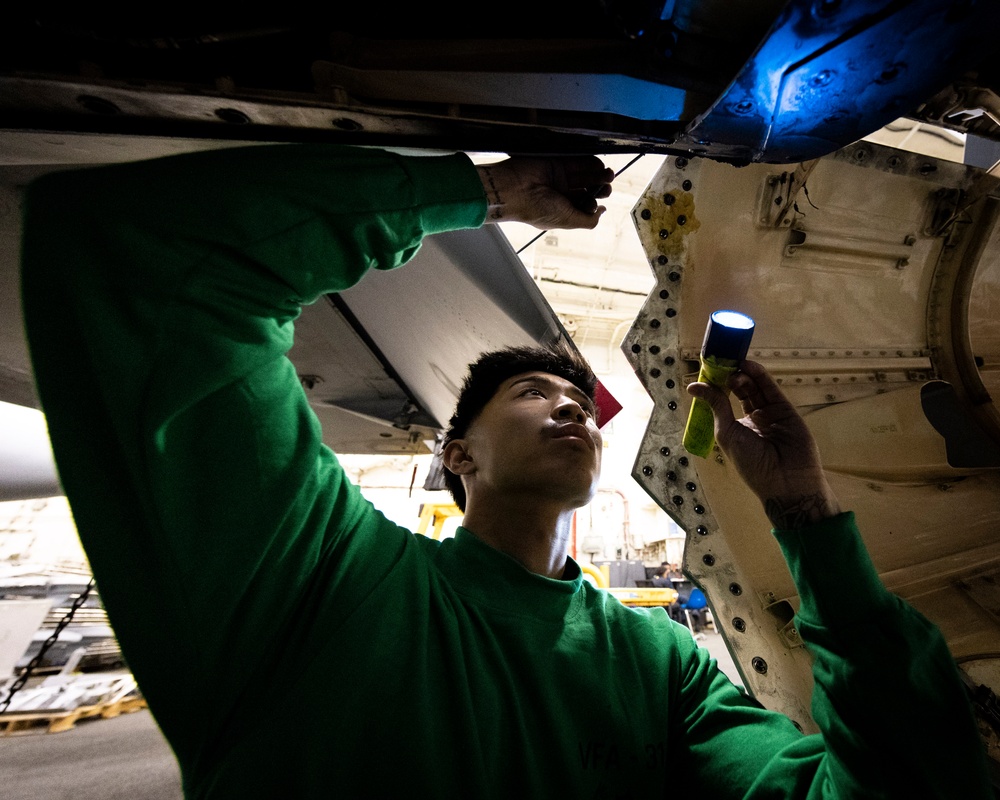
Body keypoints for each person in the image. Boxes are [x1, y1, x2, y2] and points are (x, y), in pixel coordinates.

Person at [19, 143, 990, 798]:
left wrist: (811, 519)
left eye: (578, 400)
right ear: (457, 454)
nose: (570, 404)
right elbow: (144, 257)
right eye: (531, 391)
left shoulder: (662, 670)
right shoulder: (323, 582)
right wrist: (482, 191)